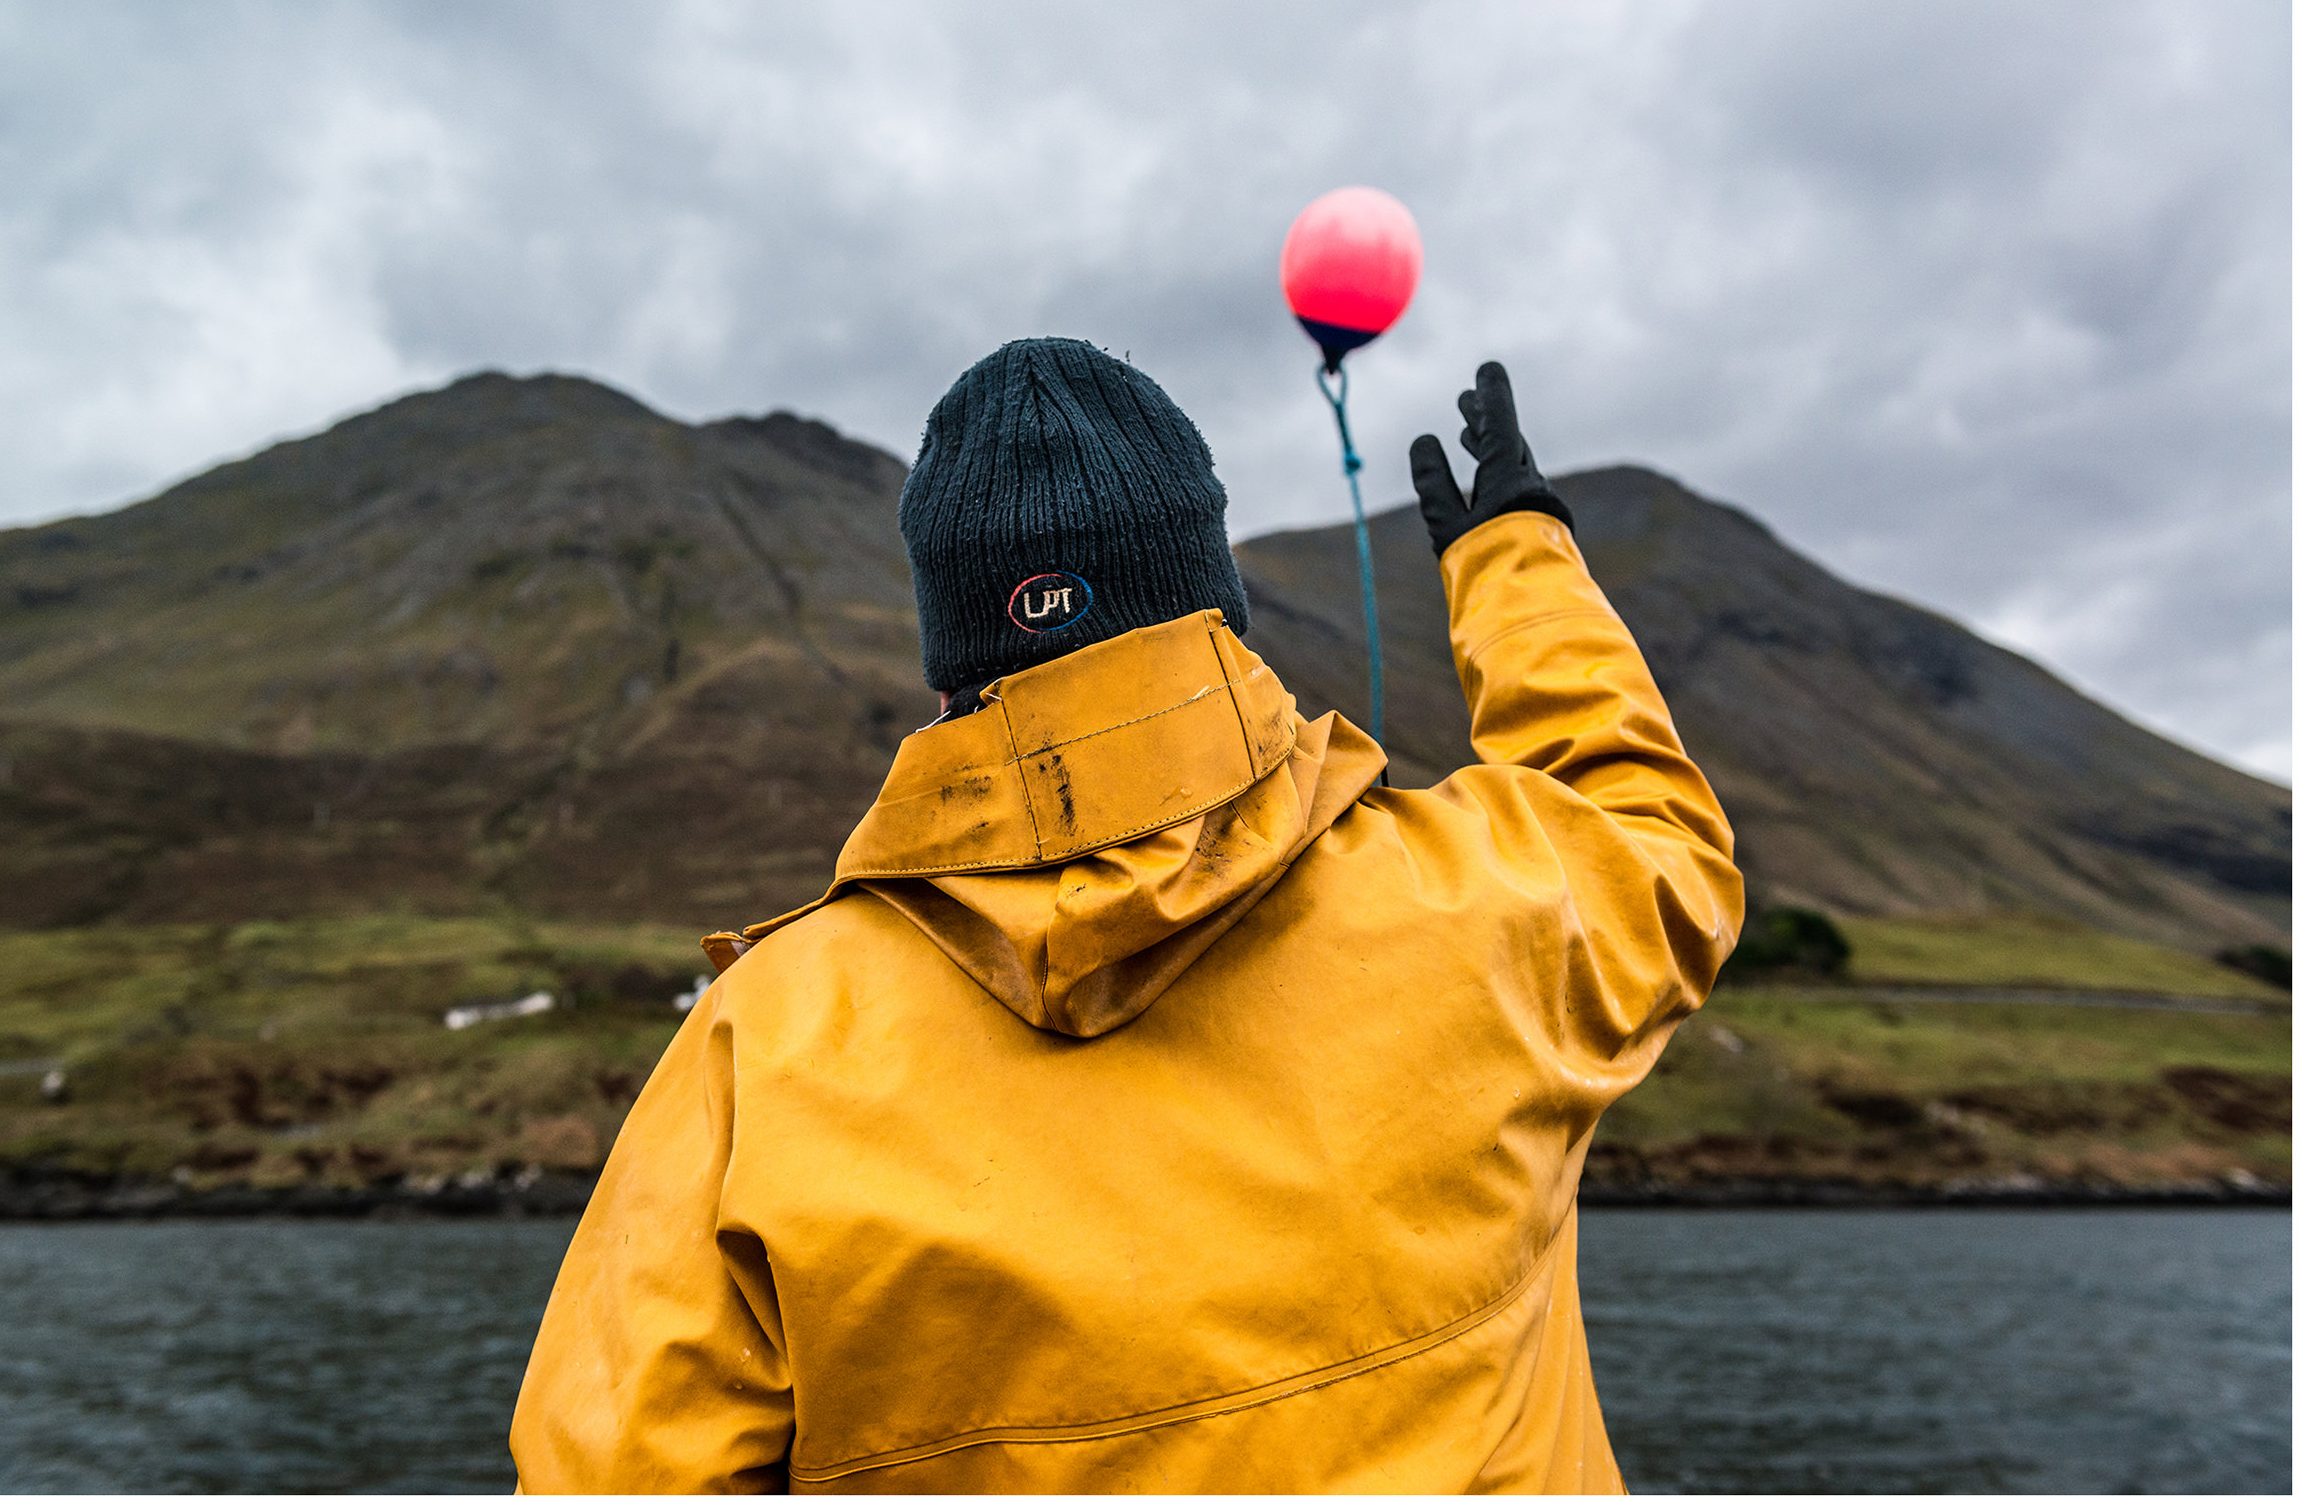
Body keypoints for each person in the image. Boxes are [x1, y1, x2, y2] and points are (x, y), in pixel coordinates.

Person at [509, 337, 1742, 1493]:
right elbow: (1661, 848)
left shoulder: (760, 1051)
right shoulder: (1483, 901)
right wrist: (1519, 568)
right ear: (1213, 601)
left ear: (949, 661)